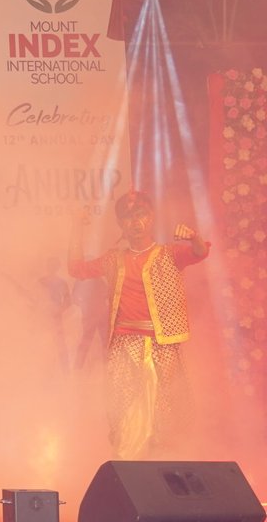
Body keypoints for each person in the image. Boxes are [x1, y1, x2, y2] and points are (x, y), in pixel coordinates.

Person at [68, 190, 209, 457]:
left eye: (141, 214)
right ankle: (128, 467)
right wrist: (76, 226)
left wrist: (193, 237)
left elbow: (199, 252)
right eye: (128, 217)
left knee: (164, 412)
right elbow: (76, 269)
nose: (135, 222)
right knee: (125, 411)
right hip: (124, 345)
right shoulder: (113, 259)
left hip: (161, 346)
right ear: (120, 223)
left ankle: (161, 465)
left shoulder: (169, 254)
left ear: (151, 217)